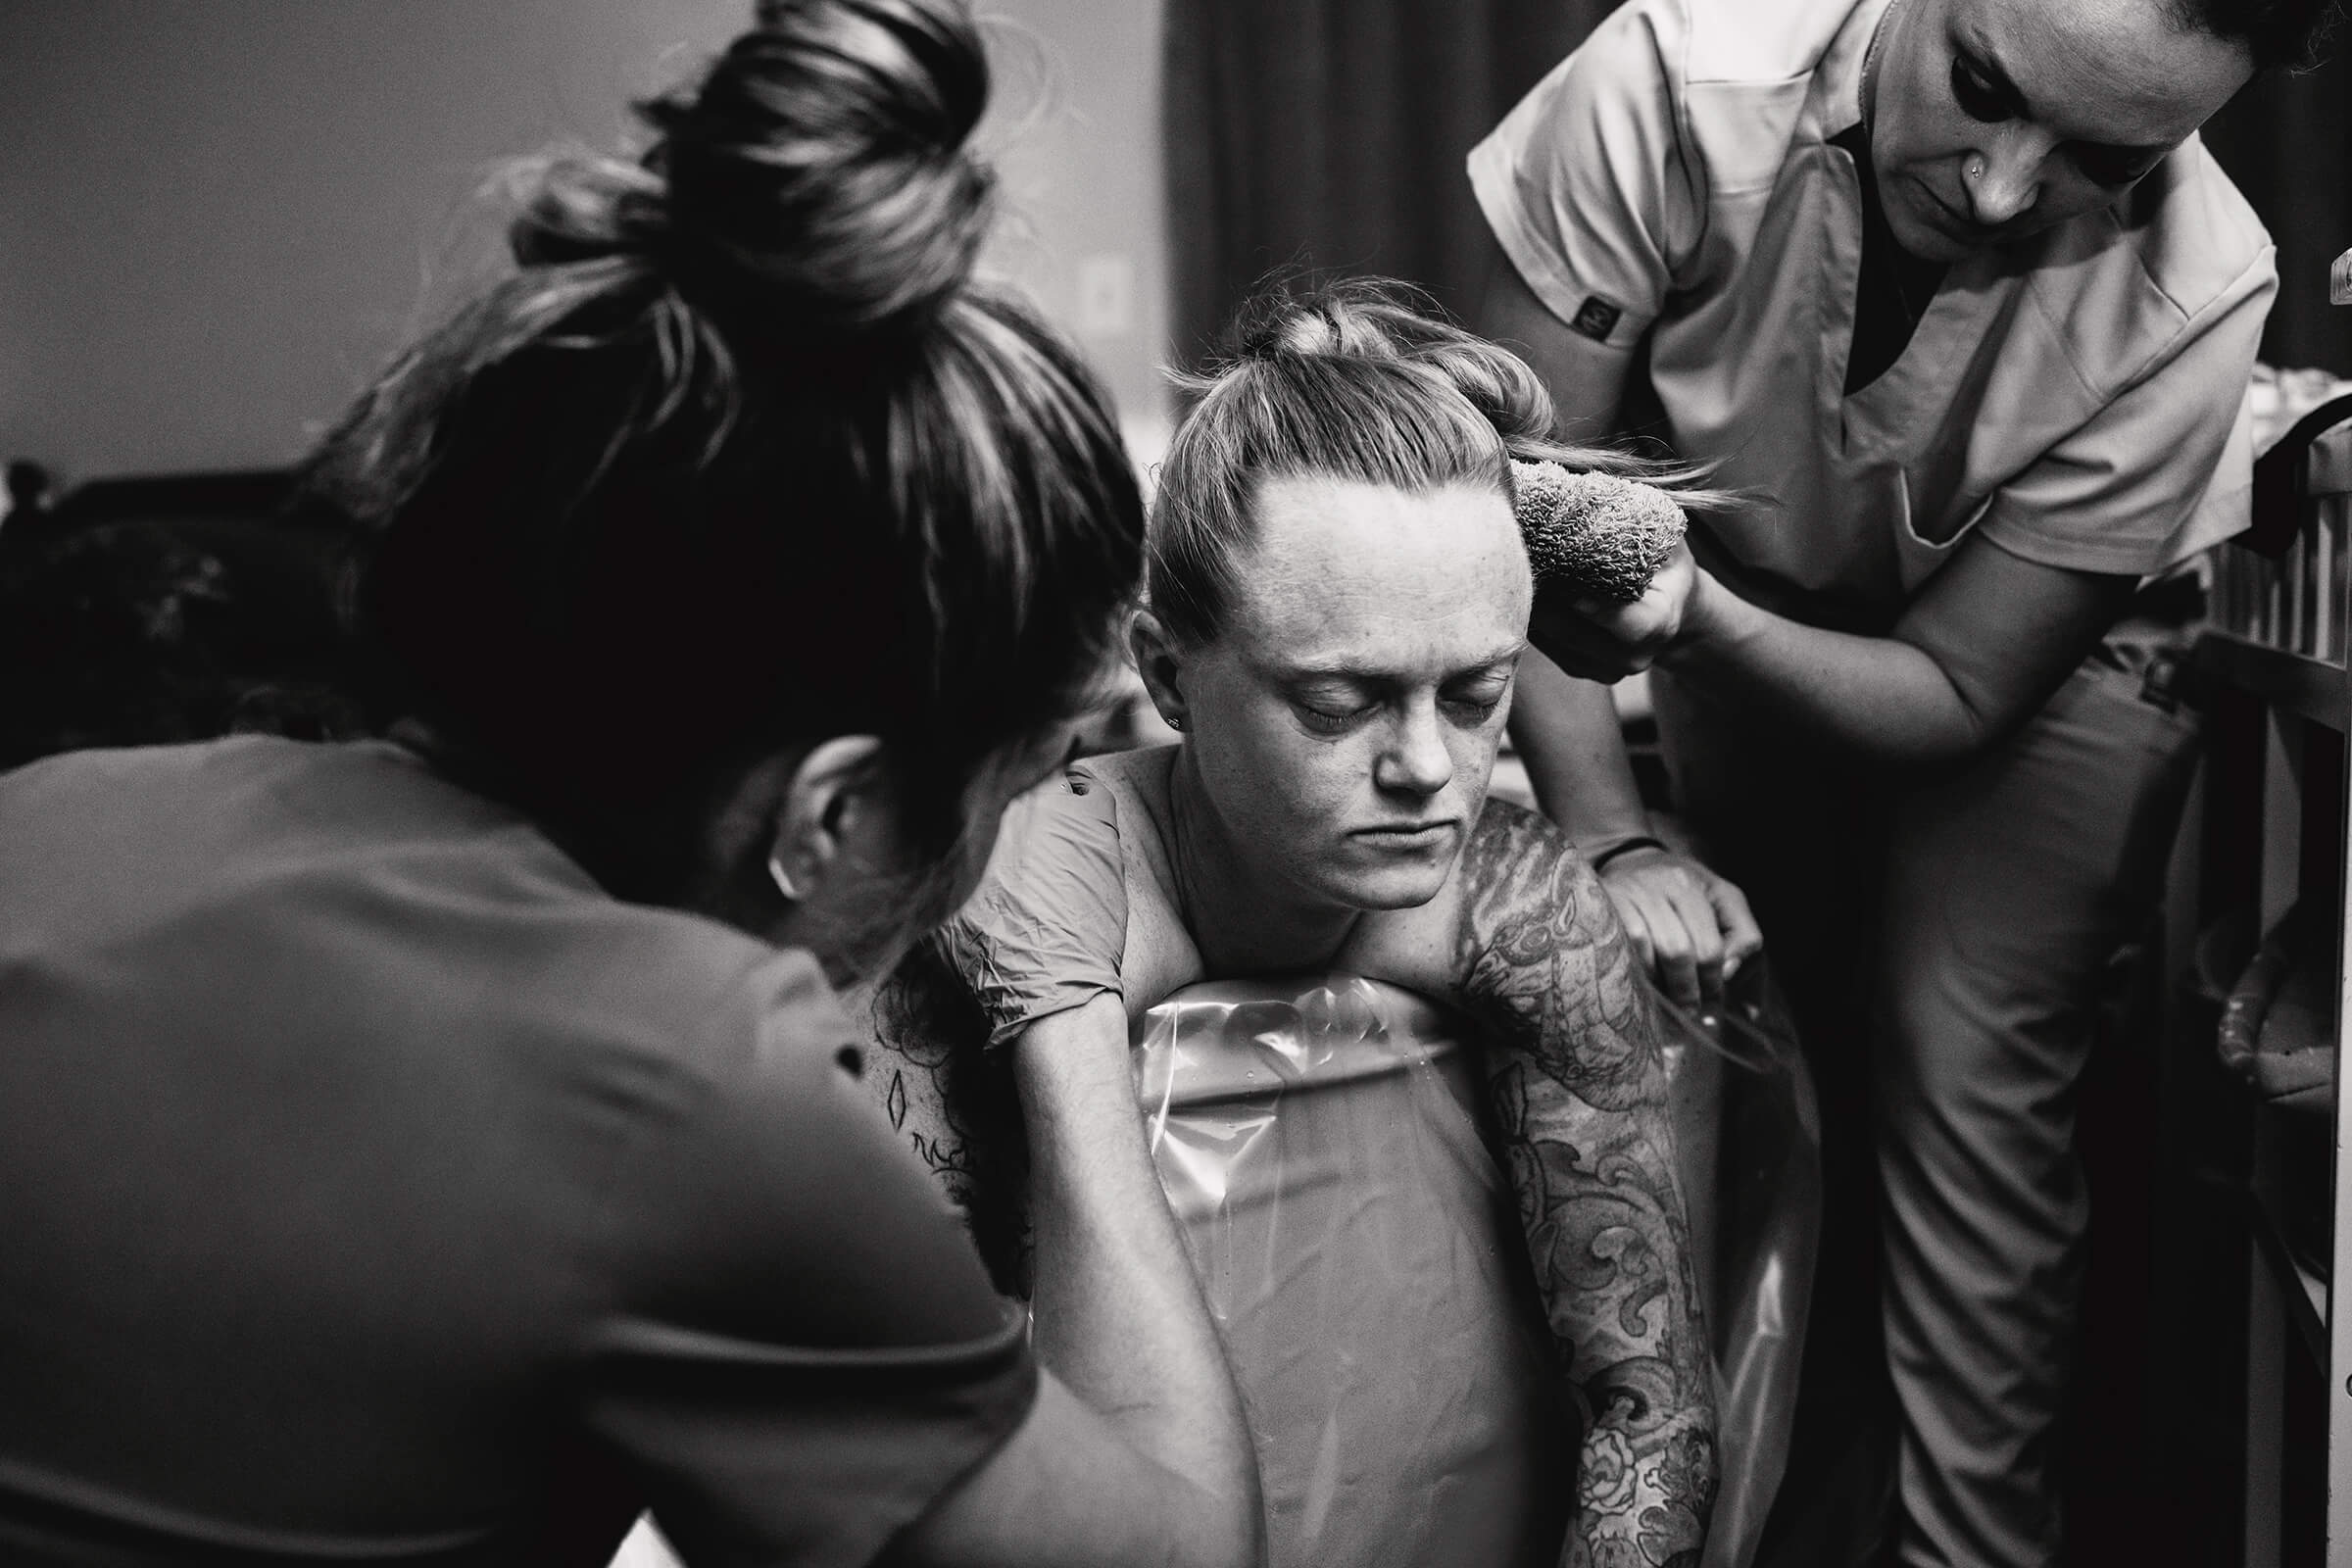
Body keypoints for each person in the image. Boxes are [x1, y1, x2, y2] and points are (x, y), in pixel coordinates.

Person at [0, 4, 1261, 1565]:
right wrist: (1062, 1008)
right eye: (1027, 778)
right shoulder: (687, 1080)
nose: (1020, 830)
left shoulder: (49, 812)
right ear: (835, 815)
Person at [1467, 0, 2337, 1561]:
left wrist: (1698, 616)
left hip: (2039, 669)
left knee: (1960, 1066)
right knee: (1769, 1054)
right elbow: (1517, 506)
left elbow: (1953, 691)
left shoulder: (2205, 284)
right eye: (1986, 87)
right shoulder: (1673, 77)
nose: (2005, 189)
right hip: (1738, 589)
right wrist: (1608, 835)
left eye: (2105, 160)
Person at [867, 280, 1720, 1568]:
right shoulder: (1030, 890)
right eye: (1338, 704)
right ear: (1165, 678)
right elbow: (920, 1455)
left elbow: (1646, 1403)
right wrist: (1056, 1028)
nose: (1430, 768)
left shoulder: (1517, 905)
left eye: (1479, 693)